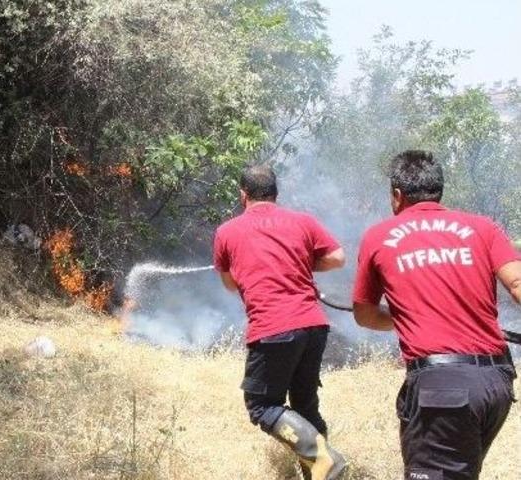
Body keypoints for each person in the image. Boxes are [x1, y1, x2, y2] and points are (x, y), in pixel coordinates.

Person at [352, 150, 520, 480]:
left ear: (397, 195)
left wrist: (404, 316)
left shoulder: (380, 235)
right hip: (495, 383)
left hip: (443, 390)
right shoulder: (482, 227)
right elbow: (516, 282)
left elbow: (365, 314)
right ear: (438, 190)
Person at [213, 164, 348, 479]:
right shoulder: (302, 221)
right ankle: (319, 473)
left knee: (262, 405)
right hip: (314, 325)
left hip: (273, 327)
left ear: (242, 195)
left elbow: (231, 284)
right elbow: (337, 257)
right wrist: (297, 263)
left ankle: (322, 457)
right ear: (276, 193)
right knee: (305, 405)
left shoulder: (227, 231)